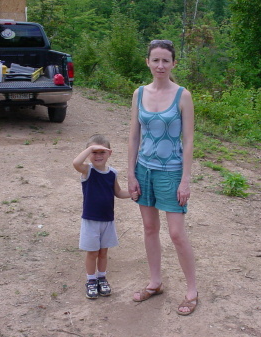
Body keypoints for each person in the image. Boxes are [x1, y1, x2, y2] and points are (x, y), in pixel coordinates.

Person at [127, 40, 198, 315]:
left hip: (171, 171)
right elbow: (134, 135)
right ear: (147, 62)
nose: (160, 65)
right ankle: (155, 283)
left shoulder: (183, 95)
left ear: (173, 64)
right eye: (155, 60)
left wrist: (186, 179)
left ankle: (191, 290)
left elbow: (189, 140)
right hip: (144, 169)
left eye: (165, 61)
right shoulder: (139, 93)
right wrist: (131, 173)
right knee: (149, 228)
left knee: (177, 233)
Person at [73, 134, 135, 299]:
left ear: (110, 153)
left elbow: (118, 192)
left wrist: (134, 193)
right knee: (92, 252)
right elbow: (76, 163)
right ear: (89, 153)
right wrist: (89, 149)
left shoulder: (112, 173)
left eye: (102, 152)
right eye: (94, 152)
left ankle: (102, 277)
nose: (98, 156)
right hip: (91, 220)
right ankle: (91, 280)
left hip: (107, 220)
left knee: (103, 252)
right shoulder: (87, 170)